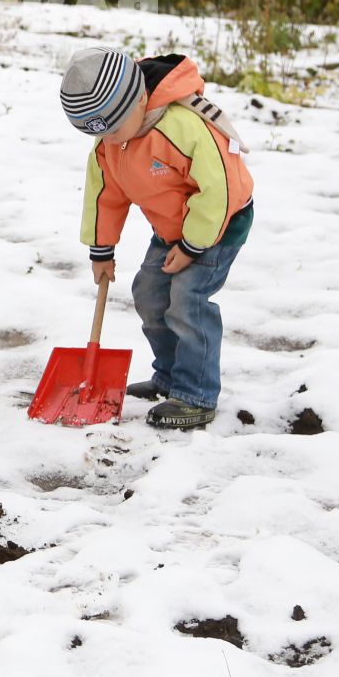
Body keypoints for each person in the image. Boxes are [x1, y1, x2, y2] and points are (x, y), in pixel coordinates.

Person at [59, 49, 255, 430]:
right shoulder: (112, 144)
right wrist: (101, 249)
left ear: (139, 99)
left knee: (187, 299)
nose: (106, 140)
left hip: (220, 223)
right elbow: (105, 194)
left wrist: (192, 247)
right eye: (96, 132)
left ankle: (196, 394)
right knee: (149, 294)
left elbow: (219, 190)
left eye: (112, 129)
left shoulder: (184, 127)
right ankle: (170, 376)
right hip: (172, 227)